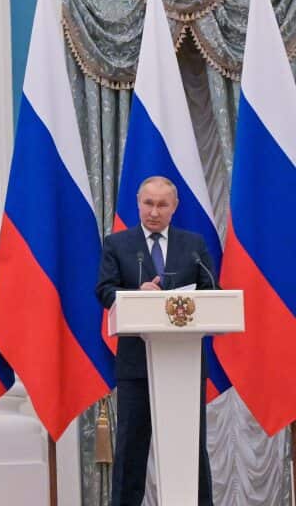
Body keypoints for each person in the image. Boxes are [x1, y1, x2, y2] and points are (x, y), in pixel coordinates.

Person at [95, 175, 216, 506]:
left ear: (174, 207)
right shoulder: (117, 244)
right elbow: (104, 291)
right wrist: (136, 295)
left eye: (162, 204)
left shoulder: (194, 245)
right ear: (138, 203)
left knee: (191, 446)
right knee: (131, 448)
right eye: (148, 203)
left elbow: (211, 295)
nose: (154, 211)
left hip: (184, 367)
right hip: (136, 364)